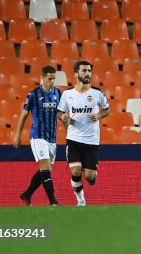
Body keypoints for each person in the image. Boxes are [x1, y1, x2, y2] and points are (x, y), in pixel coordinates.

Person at [57, 60, 109, 207]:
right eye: (84, 71)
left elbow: (107, 109)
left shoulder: (97, 93)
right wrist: (63, 118)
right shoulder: (67, 94)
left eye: (89, 71)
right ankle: (80, 201)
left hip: (91, 140)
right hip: (73, 138)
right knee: (75, 170)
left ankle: (92, 176)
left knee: (89, 176)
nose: (87, 74)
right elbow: (60, 112)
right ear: (76, 74)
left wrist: (99, 115)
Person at [14, 65, 61, 206]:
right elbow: (23, 115)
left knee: (44, 172)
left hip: (52, 138)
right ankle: (53, 202)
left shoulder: (58, 93)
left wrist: (67, 123)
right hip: (38, 136)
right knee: (45, 168)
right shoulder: (33, 94)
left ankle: (27, 195)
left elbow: (60, 113)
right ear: (42, 77)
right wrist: (17, 135)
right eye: (49, 79)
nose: (52, 81)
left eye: (54, 78)